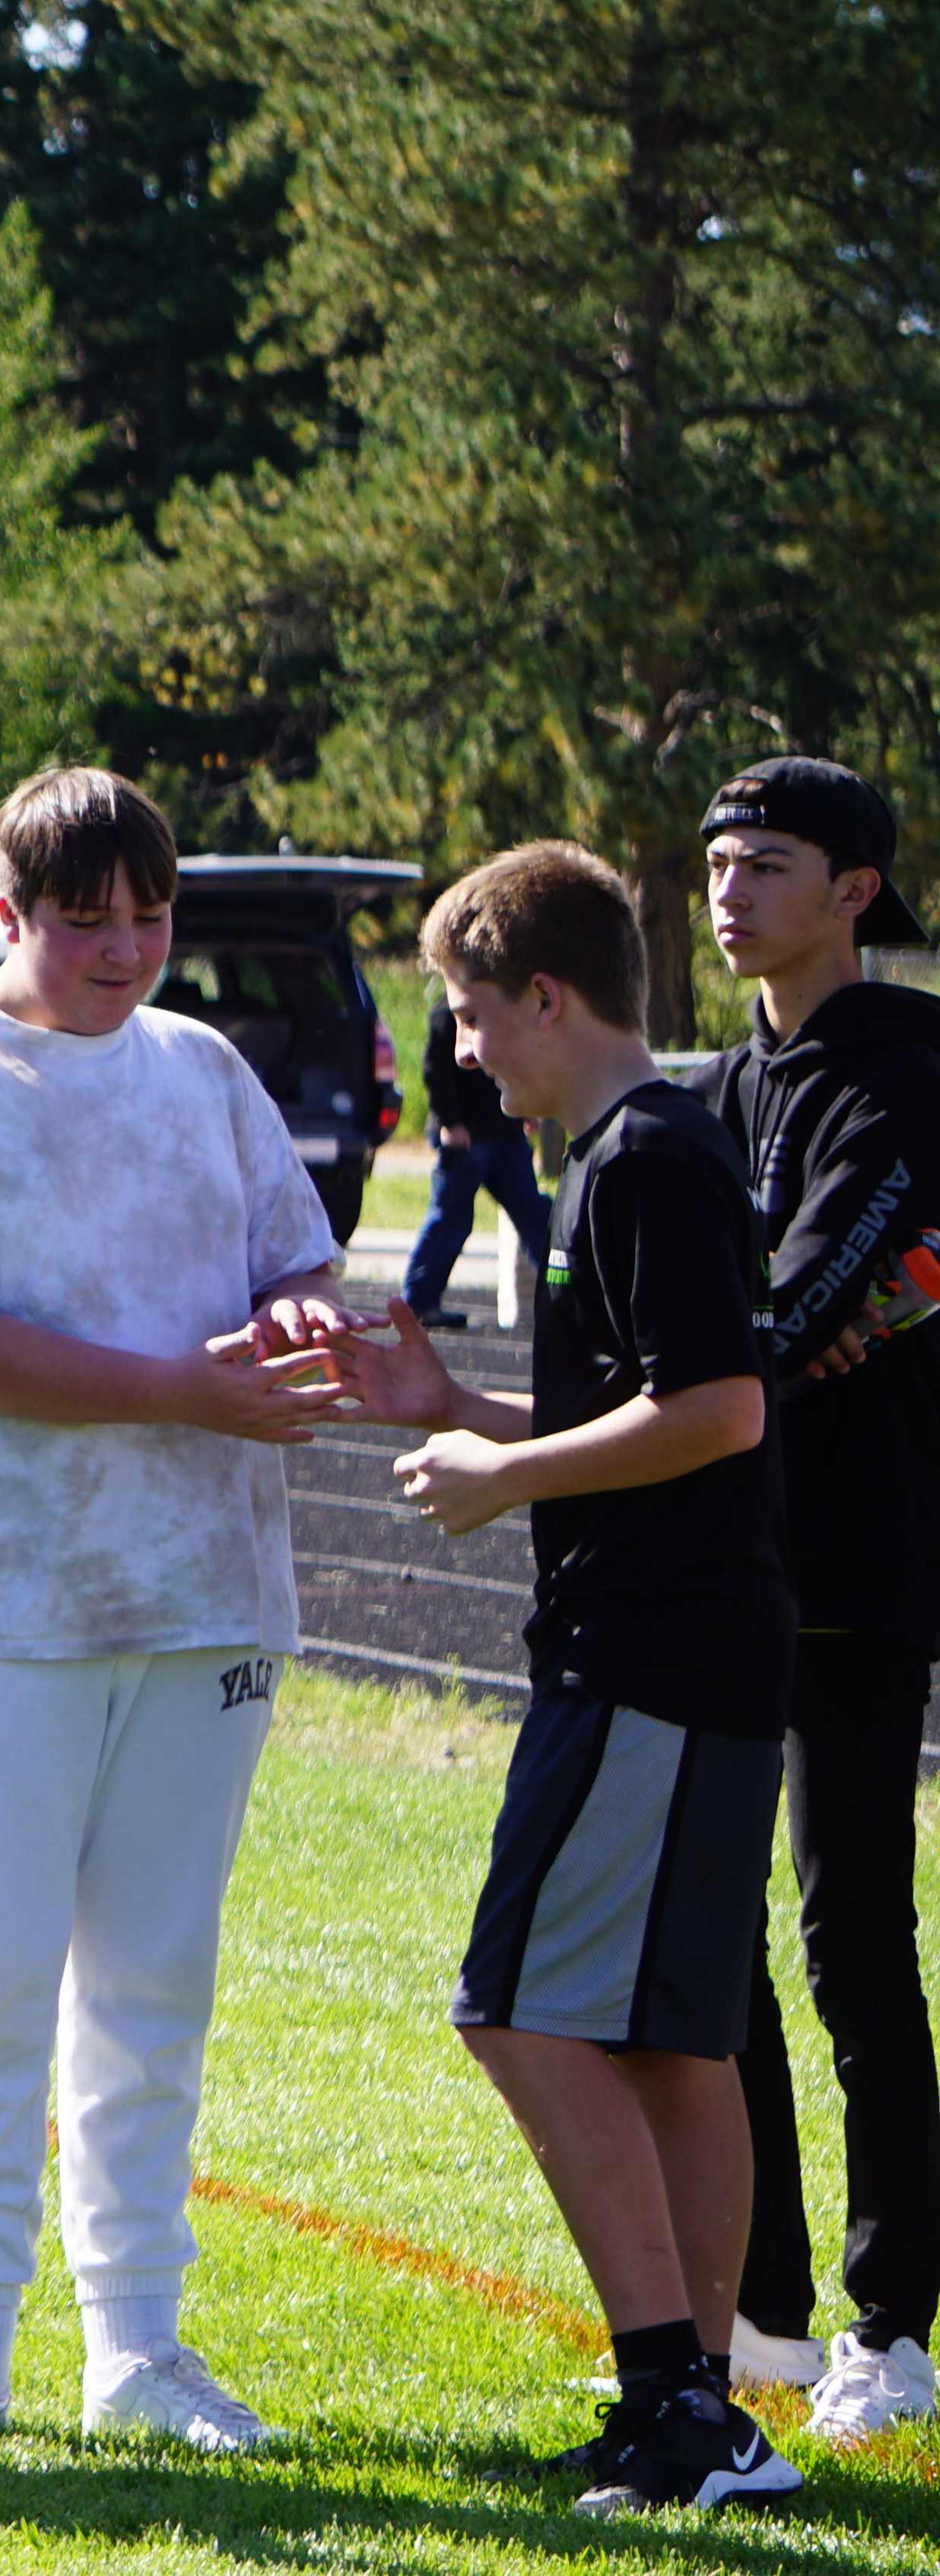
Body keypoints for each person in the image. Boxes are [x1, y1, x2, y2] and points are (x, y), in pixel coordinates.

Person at [0, 765, 345, 2457]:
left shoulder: (207, 1067)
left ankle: (142, 2349)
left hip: (201, 1590)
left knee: (154, 1990)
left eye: (149, 915)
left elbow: (294, 1265)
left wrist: (309, 1334)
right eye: (85, 918)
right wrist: (187, 1393)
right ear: (8, 911)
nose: (125, 949)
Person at [323, 840, 800, 2516]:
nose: (462, 1049)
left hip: (651, 1661)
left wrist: (504, 1478)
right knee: (673, 2039)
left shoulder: (644, 1156)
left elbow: (724, 1413)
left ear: (546, 994)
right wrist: (454, 1413)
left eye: (466, 1013)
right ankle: (696, 2406)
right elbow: (658, 1415)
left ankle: (683, 2398)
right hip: (690, 1654)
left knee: (518, 2009)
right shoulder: (631, 1150)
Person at [684, 757, 940, 2440]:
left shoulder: (910, 1067)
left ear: (854, 888)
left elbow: (824, 1283)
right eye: (715, 861)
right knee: (715, 1948)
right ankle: (763, 2310)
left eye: (766, 862)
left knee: (856, 1943)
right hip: (724, 1562)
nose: (728, 890)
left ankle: (890, 2328)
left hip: (860, 1565)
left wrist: (707, 1367)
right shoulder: (718, 1082)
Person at [404, 995, 549, 1328]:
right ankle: (417, 1305)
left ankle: (572, 1299)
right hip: (467, 1136)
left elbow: (516, 1059)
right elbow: (436, 1070)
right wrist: (450, 1122)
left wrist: (525, 1105)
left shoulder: (503, 1001)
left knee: (534, 1216)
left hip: (505, 1134)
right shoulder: (451, 1008)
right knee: (450, 1221)